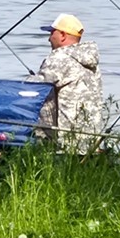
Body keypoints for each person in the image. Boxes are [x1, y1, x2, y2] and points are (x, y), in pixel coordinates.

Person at [25, 13, 105, 154]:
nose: (49, 39)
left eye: (52, 33)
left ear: (62, 35)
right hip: (91, 139)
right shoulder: (90, 62)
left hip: (67, 142)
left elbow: (32, 88)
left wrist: (29, 78)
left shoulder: (59, 57)